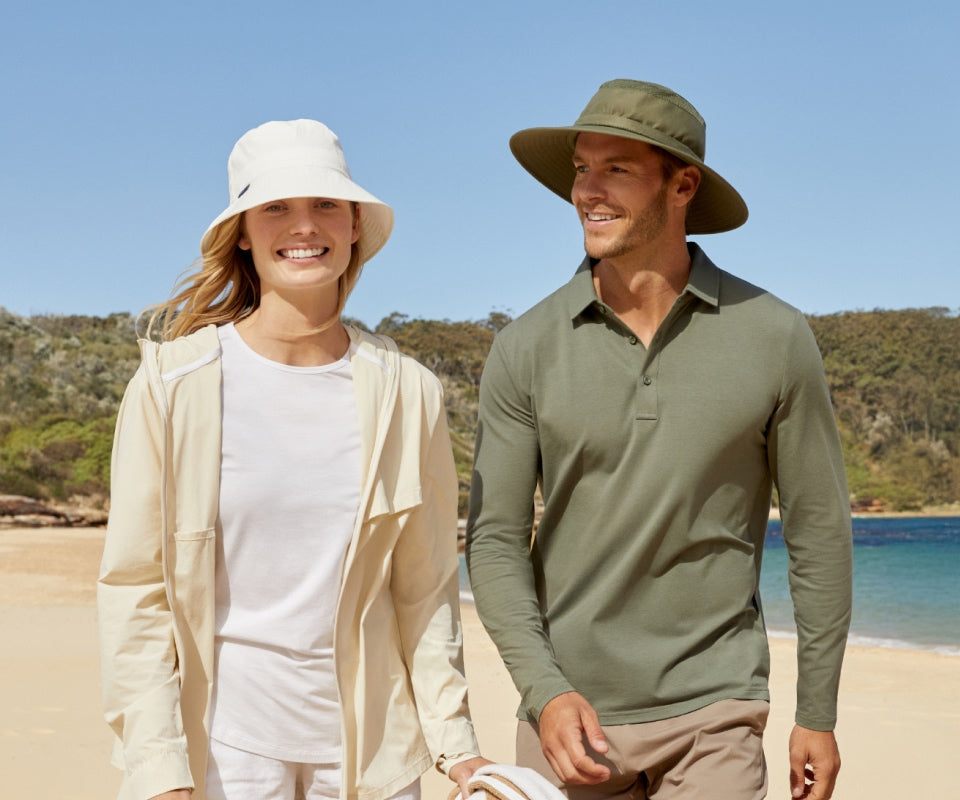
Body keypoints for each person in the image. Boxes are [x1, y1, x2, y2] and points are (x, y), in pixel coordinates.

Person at [466, 80, 853, 800]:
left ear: (683, 184)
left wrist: (818, 711)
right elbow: (492, 540)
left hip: (717, 707)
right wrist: (543, 690)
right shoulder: (525, 347)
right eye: (582, 168)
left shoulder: (774, 336)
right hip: (570, 721)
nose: (588, 191)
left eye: (616, 168)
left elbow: (819, 531)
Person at [98, 119, 489, 800]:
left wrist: (457, 748)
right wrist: (159, 768)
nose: (303, 226)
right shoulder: (172, 384)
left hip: (375, 758)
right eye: (276, 206)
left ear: (356, 225)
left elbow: (425, 590)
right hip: (223, 752)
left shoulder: (409, 393)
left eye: (325, 205)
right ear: (243, 232)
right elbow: (136, 591)